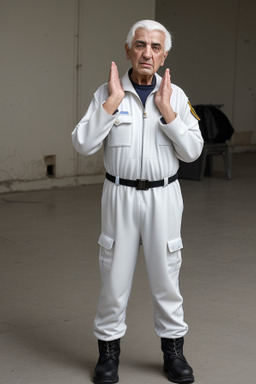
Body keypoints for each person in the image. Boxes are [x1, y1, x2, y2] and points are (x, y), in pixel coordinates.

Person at [71, 19, 203, 384]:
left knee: (167, 279)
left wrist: (168, 112)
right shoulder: (107, 92)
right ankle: (108, 356)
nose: (147, 53)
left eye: (155, 47)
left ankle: (173, 355)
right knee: (114, 279)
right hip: (120, 196)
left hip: (164, 196)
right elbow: (82, 144)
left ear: (164, 56)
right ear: (128, 50)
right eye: (141, 45)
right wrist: (111, 103)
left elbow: (193, 152)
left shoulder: (175, 96)